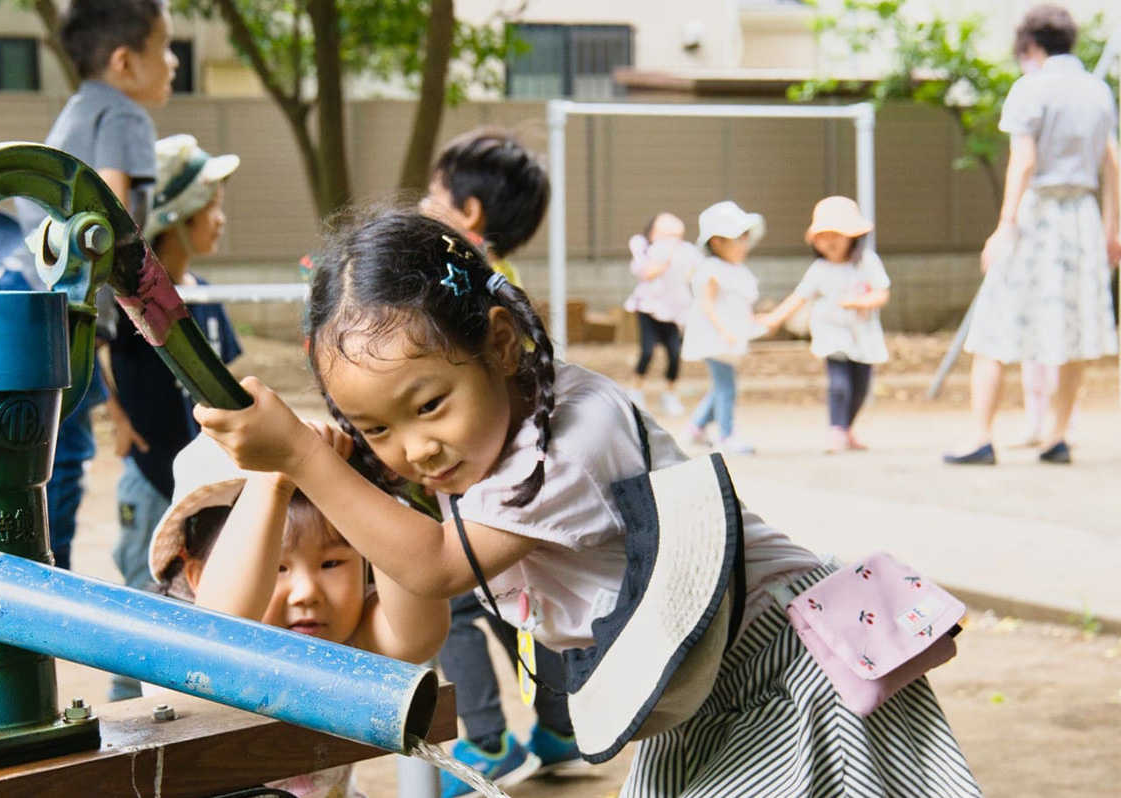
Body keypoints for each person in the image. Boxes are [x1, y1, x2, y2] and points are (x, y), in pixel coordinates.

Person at [194, 208, 981, 798]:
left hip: (783, 663)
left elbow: (433, 567)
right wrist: (301, 472)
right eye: (376, 428)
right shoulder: (486, 443)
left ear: (501, 344)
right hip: (692, 679)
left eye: (429, 404)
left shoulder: (573, 434)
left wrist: (300, 455)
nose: (414, 450)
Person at [142, 430, 448, 798]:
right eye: (277, 568)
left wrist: (369, 490)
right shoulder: (179, 655)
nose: (307, 593)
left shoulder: (348, 642)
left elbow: (419, 634)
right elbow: (218, 633)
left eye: (332, 562)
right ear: (196, 577)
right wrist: (271, 481)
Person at [423, 128, 578, 796]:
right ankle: (560, 727)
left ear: (470, 211)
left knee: (455, 604)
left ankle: (484, 742)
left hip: (478, 487)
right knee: (531, 601)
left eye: (434, 193)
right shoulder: (506, 285)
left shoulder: (449, 284)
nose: (425, 203)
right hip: (526, 485)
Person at [945, 4, 1119, 466]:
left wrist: (1004, 224)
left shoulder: (1030, 88)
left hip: (1038, 213)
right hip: (1081, 216)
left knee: (993, 325)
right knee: (1074, 328)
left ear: (1031, 45)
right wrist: (1112, 229)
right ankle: (1056, 438)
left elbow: (1023, 160)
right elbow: (1112, 163)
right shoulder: (1098, 91)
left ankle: (981, 437)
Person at [40, 0, 179, 570]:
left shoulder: (76, 111)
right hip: (71, 316)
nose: (172, 63)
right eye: (165, 48)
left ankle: (41, 560)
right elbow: (112, 218)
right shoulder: (124, 116)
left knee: (47, 450)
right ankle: (50, 567)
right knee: (64, 454)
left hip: (40, 300)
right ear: (125, 62)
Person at [106, 133, 242, 701]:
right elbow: (92, 349)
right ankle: (123, 707)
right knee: (142, 593)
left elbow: (231, 375)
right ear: (178, 215)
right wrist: (116, 414)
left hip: (207, 479)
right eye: (211, 207)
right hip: (153, 474)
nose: (221, 219)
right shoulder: (131, 295)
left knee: (201, 592)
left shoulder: (205, 295)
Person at [758, 197, 890, 453]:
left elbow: (882, 293)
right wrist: (774, 318)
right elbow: (800, 296)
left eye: (836, 235)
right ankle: (836, 429)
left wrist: (858, 302)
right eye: (823, 235)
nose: (829, 241)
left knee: (861, 386)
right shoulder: (819, 268)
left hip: (862, 334)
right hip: (833, 333)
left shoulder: (867, 263)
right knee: (839, 383)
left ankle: (847, 427)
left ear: (852, 236)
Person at [680, 201, 766, 455]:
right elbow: (706, 303)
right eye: (738, 239)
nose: (744, 245)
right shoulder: (712, 270)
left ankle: (696, 427)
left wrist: (752, 322)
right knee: (727, 386)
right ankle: (726, 435)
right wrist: (723, 330)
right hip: (715, 340)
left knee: (721, 385)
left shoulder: (737, 271)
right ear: (717, 242)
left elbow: (740, 303)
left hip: (726, 339)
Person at [423, 128, 549, 288]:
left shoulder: (460, 284)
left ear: (470, 213)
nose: (423, 206)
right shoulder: (505, 280)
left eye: (432, 196)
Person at [624, 213, 697, 417]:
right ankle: (636, 391)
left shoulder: (687, 252)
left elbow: (695, 273)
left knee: (674, 354)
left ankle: (670, 394)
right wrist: (667, 259)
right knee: (647, 351)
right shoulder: (644, 249)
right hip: (648, 309)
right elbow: (645, 273)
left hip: (675, 313)